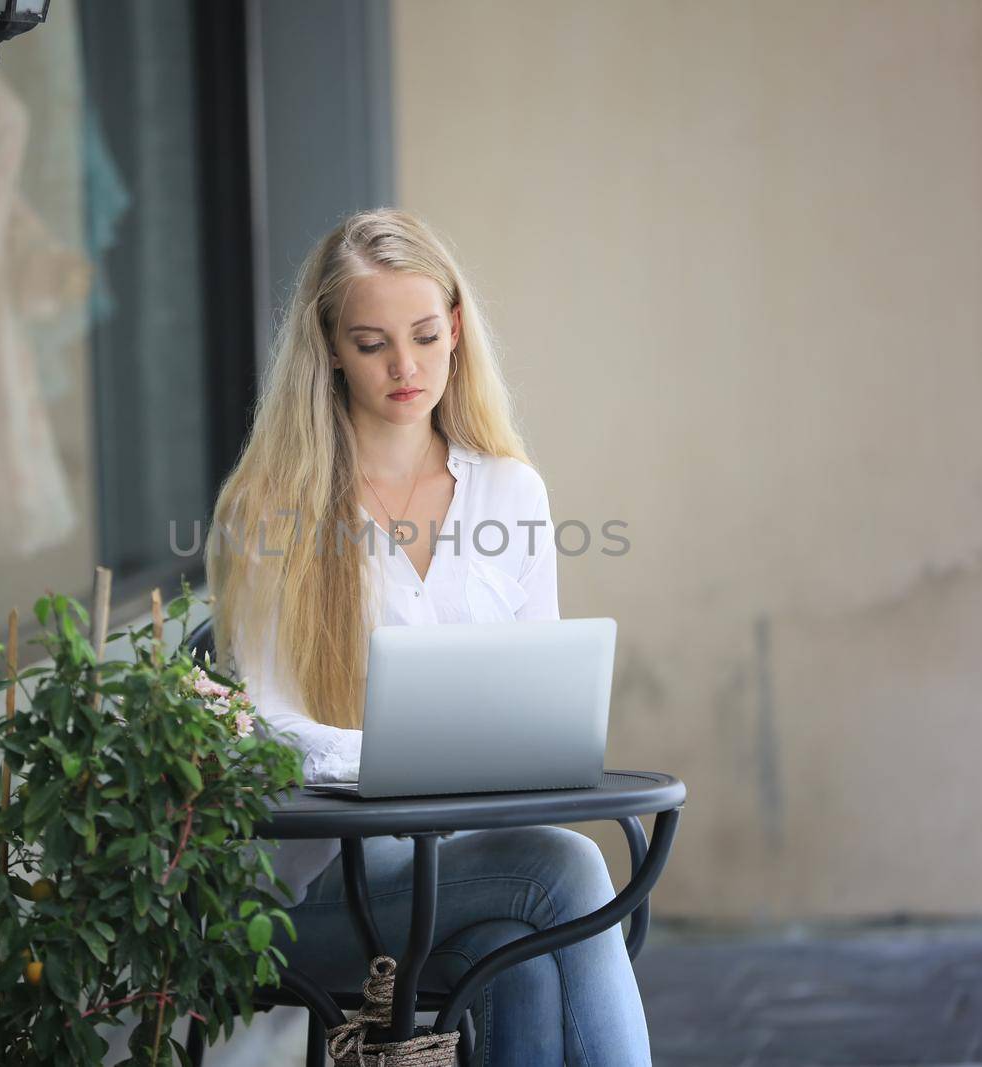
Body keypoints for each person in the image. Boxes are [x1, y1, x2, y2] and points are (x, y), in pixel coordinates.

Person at [203, 208, 650, 1065]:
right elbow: (264, 727)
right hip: (316, 894)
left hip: (461, 872)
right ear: (330, 347)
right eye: (371, 343)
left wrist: (458, 764)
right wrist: (398, 761)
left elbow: (535, 696)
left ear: (454, 327)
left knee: (514, 957)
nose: (405, 367)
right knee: (566, 873)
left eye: (422, 334)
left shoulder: (510, 491)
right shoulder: (271, 508)